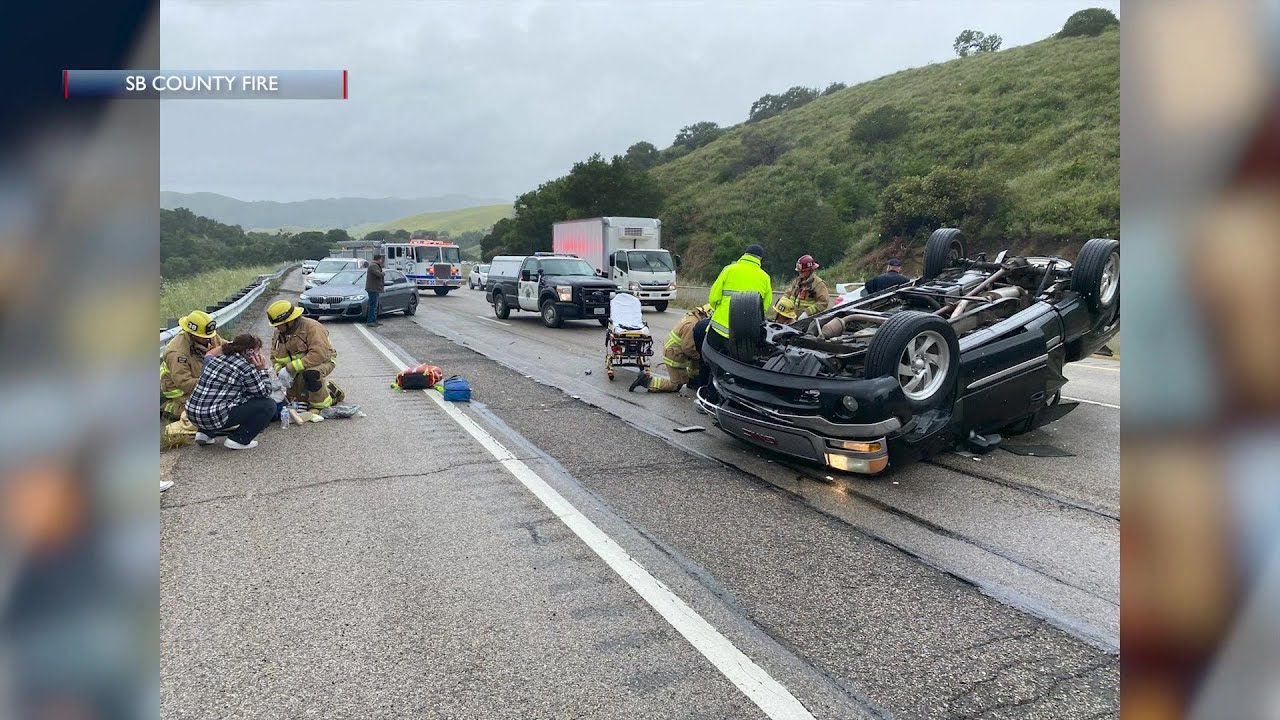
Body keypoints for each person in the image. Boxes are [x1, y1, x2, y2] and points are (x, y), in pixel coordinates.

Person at [185, 333, 278, 450]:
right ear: (250, 352)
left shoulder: (216, 360)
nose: (259, 354)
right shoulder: (246, 368)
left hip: (193, 414)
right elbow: (264, 392)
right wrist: (262, 370)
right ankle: (239, 439)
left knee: (214, 398)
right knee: (268, 405)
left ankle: (205, 434)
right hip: (214, 416)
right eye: (258, 351)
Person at [701, 244, 773, 389]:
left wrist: (721, 310)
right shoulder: (764, 277)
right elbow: (764, 307)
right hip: (743, 334)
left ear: (744, 254)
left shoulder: (729, 270)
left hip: (718, 329)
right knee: (737, 368)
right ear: (760, 259)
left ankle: (707, 395)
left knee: (710, 362)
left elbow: (713, 298)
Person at [267, 299, 344, 410]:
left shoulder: (312, 328)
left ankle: (331, 397)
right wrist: (280, 371)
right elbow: (274, 355)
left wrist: (290, 368)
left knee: (311, 377)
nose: (276, 327)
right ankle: (326, 387)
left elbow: (318, 354)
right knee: (295, 400)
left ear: (290, 321)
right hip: (297, 368)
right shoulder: (279, 333)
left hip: (322, 362)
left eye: (279, 324)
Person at [630, 304, 713, 393]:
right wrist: (702, 357)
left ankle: (693, 381)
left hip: (674, 352)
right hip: (675, 356)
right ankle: (647, 381)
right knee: (676, 385)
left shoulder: (693, 318)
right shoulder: (693, 324)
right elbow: (688, 348)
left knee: (696, 361)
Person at [161, 310, 226, 422]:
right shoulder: (177, 352)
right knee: (209, 413)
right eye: (204, 337)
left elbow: (225, 346)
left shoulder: (207, 336)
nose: (209, 340)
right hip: (180, 393)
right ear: (191, 333)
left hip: (201, 383)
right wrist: (214, 383)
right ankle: (170, 409)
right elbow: (184, 383)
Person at [773, 254, 829, 321]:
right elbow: (788, 293)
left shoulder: (818, 284)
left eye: (803, 271)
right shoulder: (797, 281)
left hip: (808, 321)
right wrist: (783, 302)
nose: (800, 273)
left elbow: (823, 302)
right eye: (799, 271)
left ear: (810, 270)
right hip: (791, 317)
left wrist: (807, 313)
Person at [365, 254, 385, 327]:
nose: (382, 261)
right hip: (373, 289)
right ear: (379, 259)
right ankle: (370, 321)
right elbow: (378, 274)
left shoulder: (375, 265)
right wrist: (383, 273)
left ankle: (374, 320)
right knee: (373, 306)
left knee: (375, 306)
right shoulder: (373, 266)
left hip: (375, 288)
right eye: (381, 259)